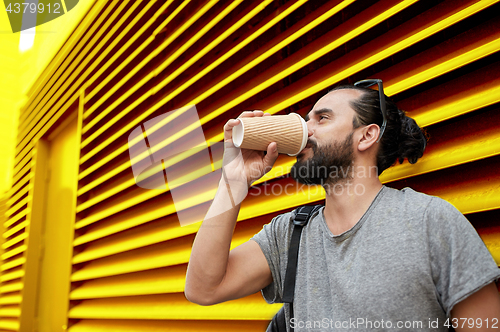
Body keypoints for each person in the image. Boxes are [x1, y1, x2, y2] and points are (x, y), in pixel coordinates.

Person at [184, 81, 500, 331]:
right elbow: (203, 289)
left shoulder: (429, 220)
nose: (306, 129)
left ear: (366, 136)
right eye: (307, 119)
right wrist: (234, 181)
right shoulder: (291, 233)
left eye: (322, 118)